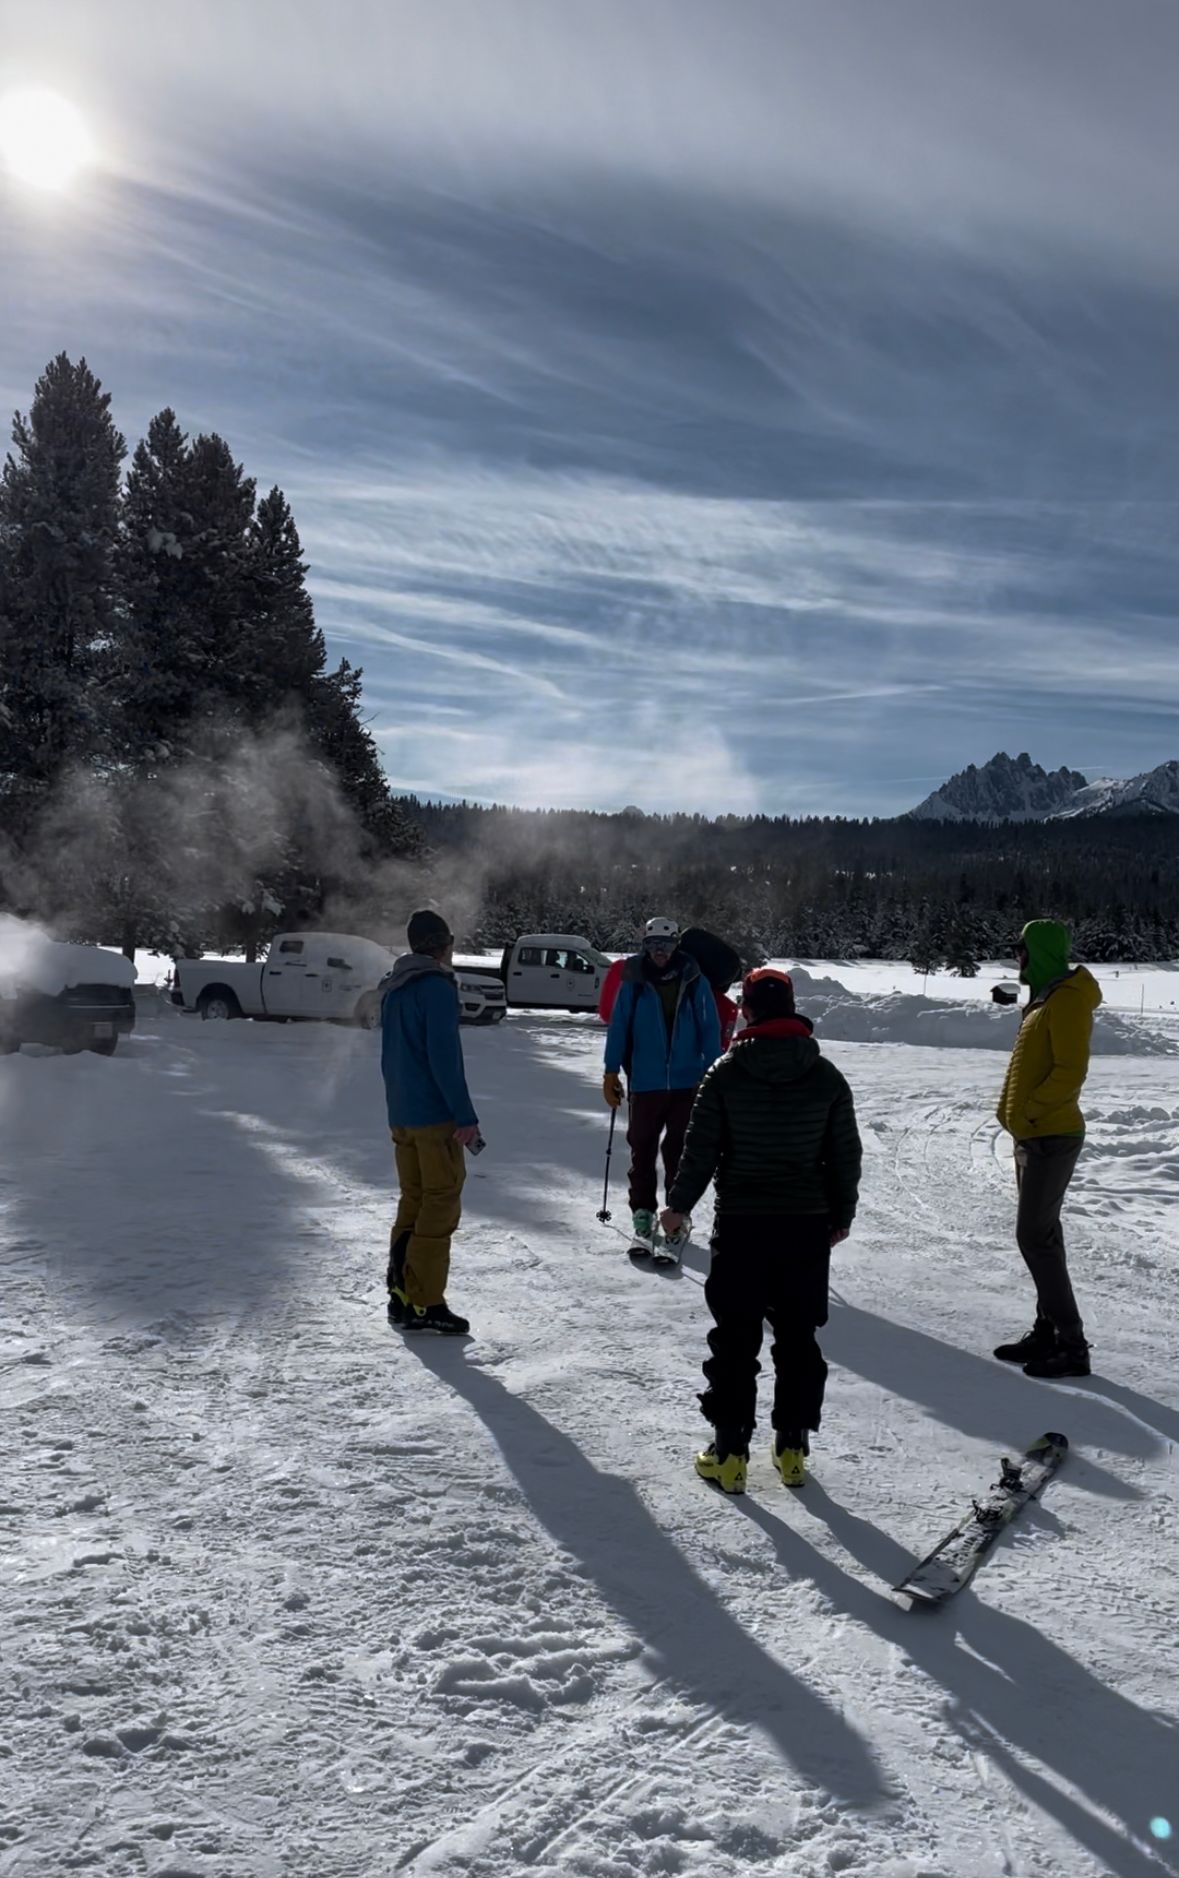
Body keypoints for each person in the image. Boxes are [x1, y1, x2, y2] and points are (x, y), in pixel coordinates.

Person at [659, 968, 861, 1494]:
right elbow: (844, 1155)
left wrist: (677, 1206)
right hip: (805, 1227)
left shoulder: (725, 1073)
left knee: (735, 1338)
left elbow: (699, 1150)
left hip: (743, 1225)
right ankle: (792, 1448)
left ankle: (730, 1454)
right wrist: (841, 1214)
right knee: (798, 1337)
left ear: (747, 1010)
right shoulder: (825, 1075)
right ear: (791, 1008)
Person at [993, 918, 1101, 1379]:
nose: (1016, 958)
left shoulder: (1069, 1001)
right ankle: (1047, 1330)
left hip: (1052, 1136)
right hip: (1033, 1134)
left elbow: (1069, 1071)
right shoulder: (1044, 1000)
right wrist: (1013, 1117)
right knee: (1044, 1234)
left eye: (1021, 950)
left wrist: (1031, 1113)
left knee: (1033, 1236)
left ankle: (1073, 1346)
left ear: (1039, 953)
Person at [381, 909, 481, 1334]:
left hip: (402, 1115)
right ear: (442, 945)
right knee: (439, 1205)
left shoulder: (394, 988)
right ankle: (425, 1302)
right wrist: (465, 1116)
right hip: (434, 1117)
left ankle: (401, 1295)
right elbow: (444, 1060)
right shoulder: (436, 989)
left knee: (415, 1202)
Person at [602, 916, 722, 1261]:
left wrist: (714, 1074)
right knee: (641, 1148)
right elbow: (619, 1026)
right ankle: (643, 1213)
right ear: (645, 947)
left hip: (687, 1081)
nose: (659, 953)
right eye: (653, 946)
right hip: (646, 1081)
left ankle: (675, 1215)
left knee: (678, 1152)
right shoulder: (634, 980)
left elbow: (708, 1029)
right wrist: (611, 1071)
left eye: (666, 946)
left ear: (676, 947)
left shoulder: (694, 980)